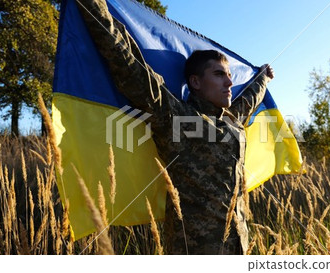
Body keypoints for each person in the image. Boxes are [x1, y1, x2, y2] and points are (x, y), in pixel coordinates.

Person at [76, 0, 274, 254]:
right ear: (195, 82)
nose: (229, 83)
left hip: (239, 247)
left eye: (229, 76)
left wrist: (263, 79)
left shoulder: (232, 120)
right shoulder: (176, 117)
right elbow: (126, 61)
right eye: (218, 74)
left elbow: (249, 100)